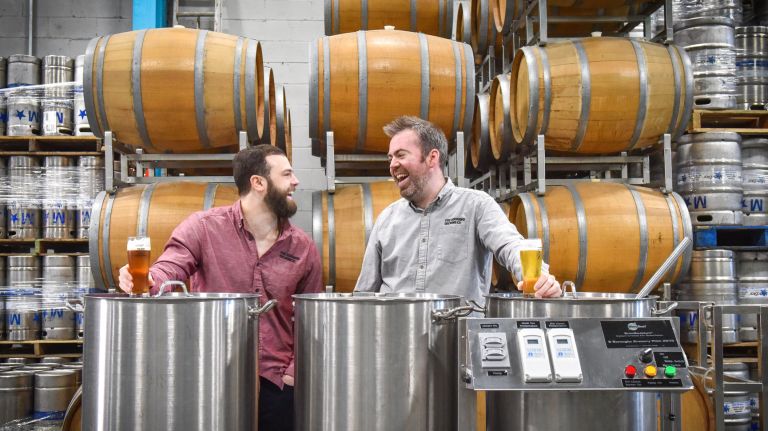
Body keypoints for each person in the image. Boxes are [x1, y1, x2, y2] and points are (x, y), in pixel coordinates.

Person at [118, 144, 322, 431]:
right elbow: (170, 267)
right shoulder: (203, 228)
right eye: (287, 174)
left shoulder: (303, 247)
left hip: (277, 384)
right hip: (212, 378)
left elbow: (312, 319)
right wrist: (148, 279)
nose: (296, 181)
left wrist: (293, 373)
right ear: (258, 183)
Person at [355, 116, 562, 302]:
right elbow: (364, 294)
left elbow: (511, 245)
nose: (392, 165)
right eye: (390, 158)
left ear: (432, 158)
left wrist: (539, 276)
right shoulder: (387, 219)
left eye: (400, 155)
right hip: (397, 338)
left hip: (458, 336)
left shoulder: (476, 206)